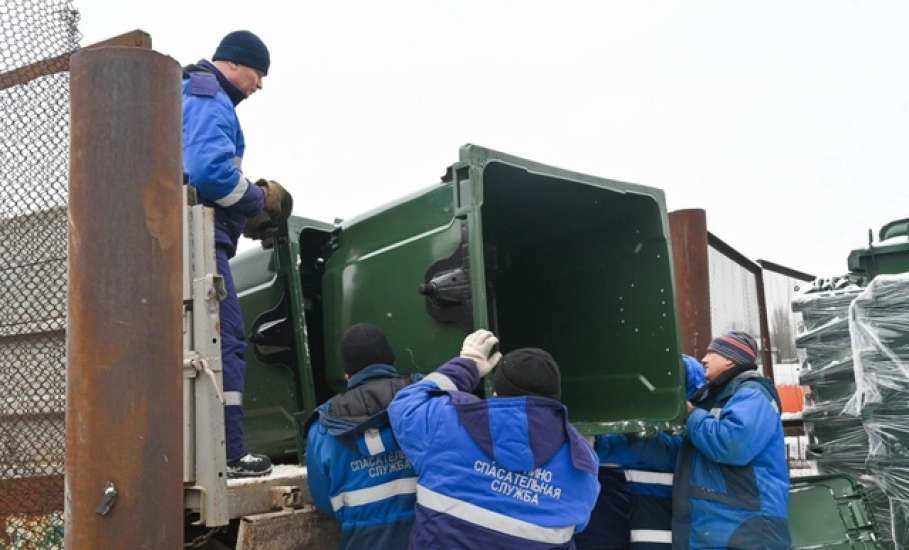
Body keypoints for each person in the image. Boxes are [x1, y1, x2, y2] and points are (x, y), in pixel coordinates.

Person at [182, 30, 293, 477]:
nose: (259, 84)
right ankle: (228, 453)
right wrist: (257, 200)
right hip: (200, 244)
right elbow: (210, 174)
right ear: (233, 63)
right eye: (257, 72)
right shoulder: (212, 98)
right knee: (223, 343)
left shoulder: (188, 91)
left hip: (184, 238)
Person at [388, 329, 601, 549]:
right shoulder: (582, 463)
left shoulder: (445, 422)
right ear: (555, 400)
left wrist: (466, 365)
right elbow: (579, 521)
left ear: (497, 393)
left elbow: (404, 406)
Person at [597, 332, 790, 549]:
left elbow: (733, 444)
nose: (704, 359)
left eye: (711, 353)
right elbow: (681, 450)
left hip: (746, 527)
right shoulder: (713, 399)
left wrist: (691, 413)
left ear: (729, 359)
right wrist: (600, 444)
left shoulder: (754, 393)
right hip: (719, 526)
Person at [306, 324, 421, 549]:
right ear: (392, 362)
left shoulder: (322, 428)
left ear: (347, 374)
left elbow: (322, 499)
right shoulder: (424, 402)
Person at [582, 356, 706, 550]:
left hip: (648, 520)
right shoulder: (687, 427)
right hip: (641, 517)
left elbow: (643, 449)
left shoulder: (677, 432)